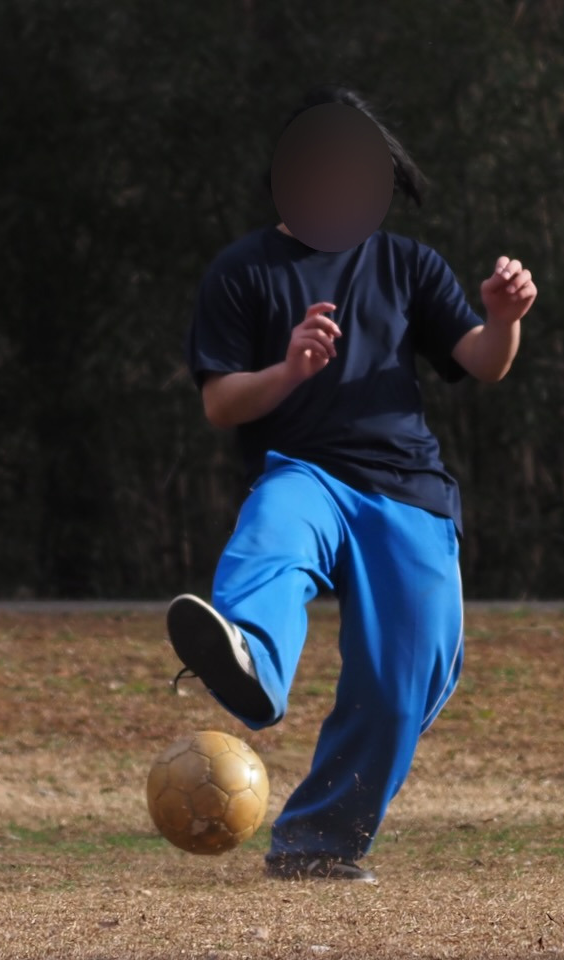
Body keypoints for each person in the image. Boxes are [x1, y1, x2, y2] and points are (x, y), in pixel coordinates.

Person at [166, 85, 536, 883]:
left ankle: (318, 842)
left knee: (404, 686)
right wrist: (289, 370)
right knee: (272, 536)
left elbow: (482, 362)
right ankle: (255, 663)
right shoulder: (242, 271)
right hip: (305, 472)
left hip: (407, 490)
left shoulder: (408, 265)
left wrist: (505, 318)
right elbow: (221, 403)